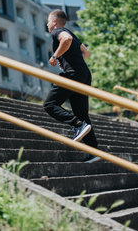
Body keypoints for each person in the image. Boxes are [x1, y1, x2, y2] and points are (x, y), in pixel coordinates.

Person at [43, 10, 100, 163]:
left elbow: (66, 39)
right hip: (84, 74)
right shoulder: (71, 33)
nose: (47, 24)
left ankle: (77, 125)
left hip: (73, 75)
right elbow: (86, 53)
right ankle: (94, 151)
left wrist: (55, 56)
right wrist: (73, 61)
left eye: (48, 21)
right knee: (81, 112)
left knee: (49, 104)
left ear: (54, 22)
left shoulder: (58, 32)